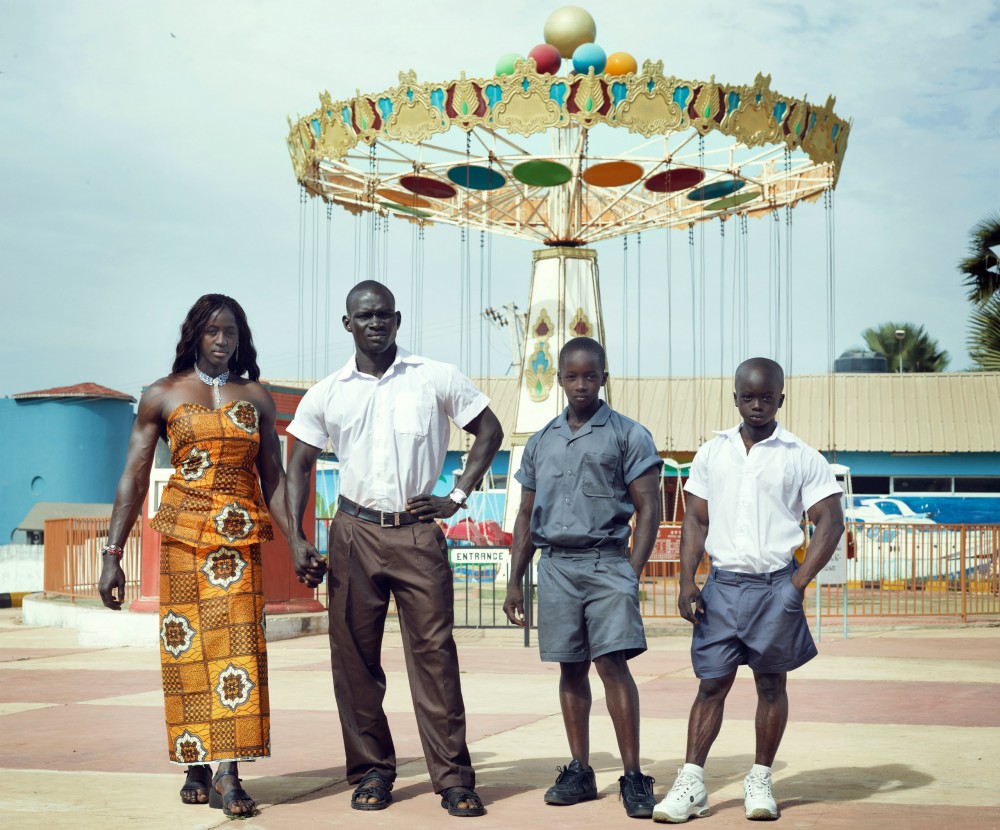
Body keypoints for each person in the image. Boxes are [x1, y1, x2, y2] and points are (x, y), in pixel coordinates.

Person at [284, 279, 503, 818]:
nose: (375, 323)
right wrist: (296, 536)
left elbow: (490, 431)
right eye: (364, 316)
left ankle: (453, 778)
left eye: (384, 315)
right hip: (353, 531)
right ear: (348, 324)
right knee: (354, 661)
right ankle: (372, 772)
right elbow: (299, 464)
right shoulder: (328, 392)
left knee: (435, 656)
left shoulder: (434, 377)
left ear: (398, 320)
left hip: (416, 532)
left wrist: (455, 495)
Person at [98, 294, 291, 817]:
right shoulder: (161, 395)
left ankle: (228, 773)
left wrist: (297, 542)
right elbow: (134, 475)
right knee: (188, 655)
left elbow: (273, 479)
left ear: (241, 337)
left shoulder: (257, 396)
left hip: (239, 539)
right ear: (195, 335)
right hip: (183, 536)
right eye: (213, 331)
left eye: (231, 331)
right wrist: (113, 552)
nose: (223, 340)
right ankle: (195, 762)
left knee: (238, 654)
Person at [652, 357, 844, 823]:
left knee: (771, 685)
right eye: (748, 396)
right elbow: (696, 520)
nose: (757, 405)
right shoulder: (711, 452)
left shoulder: (800, 455)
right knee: (711, 684)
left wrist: (796, 585)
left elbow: (830, 522)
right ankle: (692, 783)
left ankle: (759, 779)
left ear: (781, 397)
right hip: (721, 587)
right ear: (734, 397)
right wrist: (686, 580)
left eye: (767, 397)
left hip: (776, 586)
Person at [503, 336, 663, 819]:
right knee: (570, 667)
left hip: (607, 562)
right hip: (555, 567)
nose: (580, 385)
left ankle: (633, 775)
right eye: (571, 376)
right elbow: (526, 514)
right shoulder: (541, 440)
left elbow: (649, 508)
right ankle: (579, 769)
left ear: (603, 378)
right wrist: (515, 580)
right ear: (559, 380)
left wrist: (630, 572)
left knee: (612, 665)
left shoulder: (628, 435)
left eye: (589, 376)